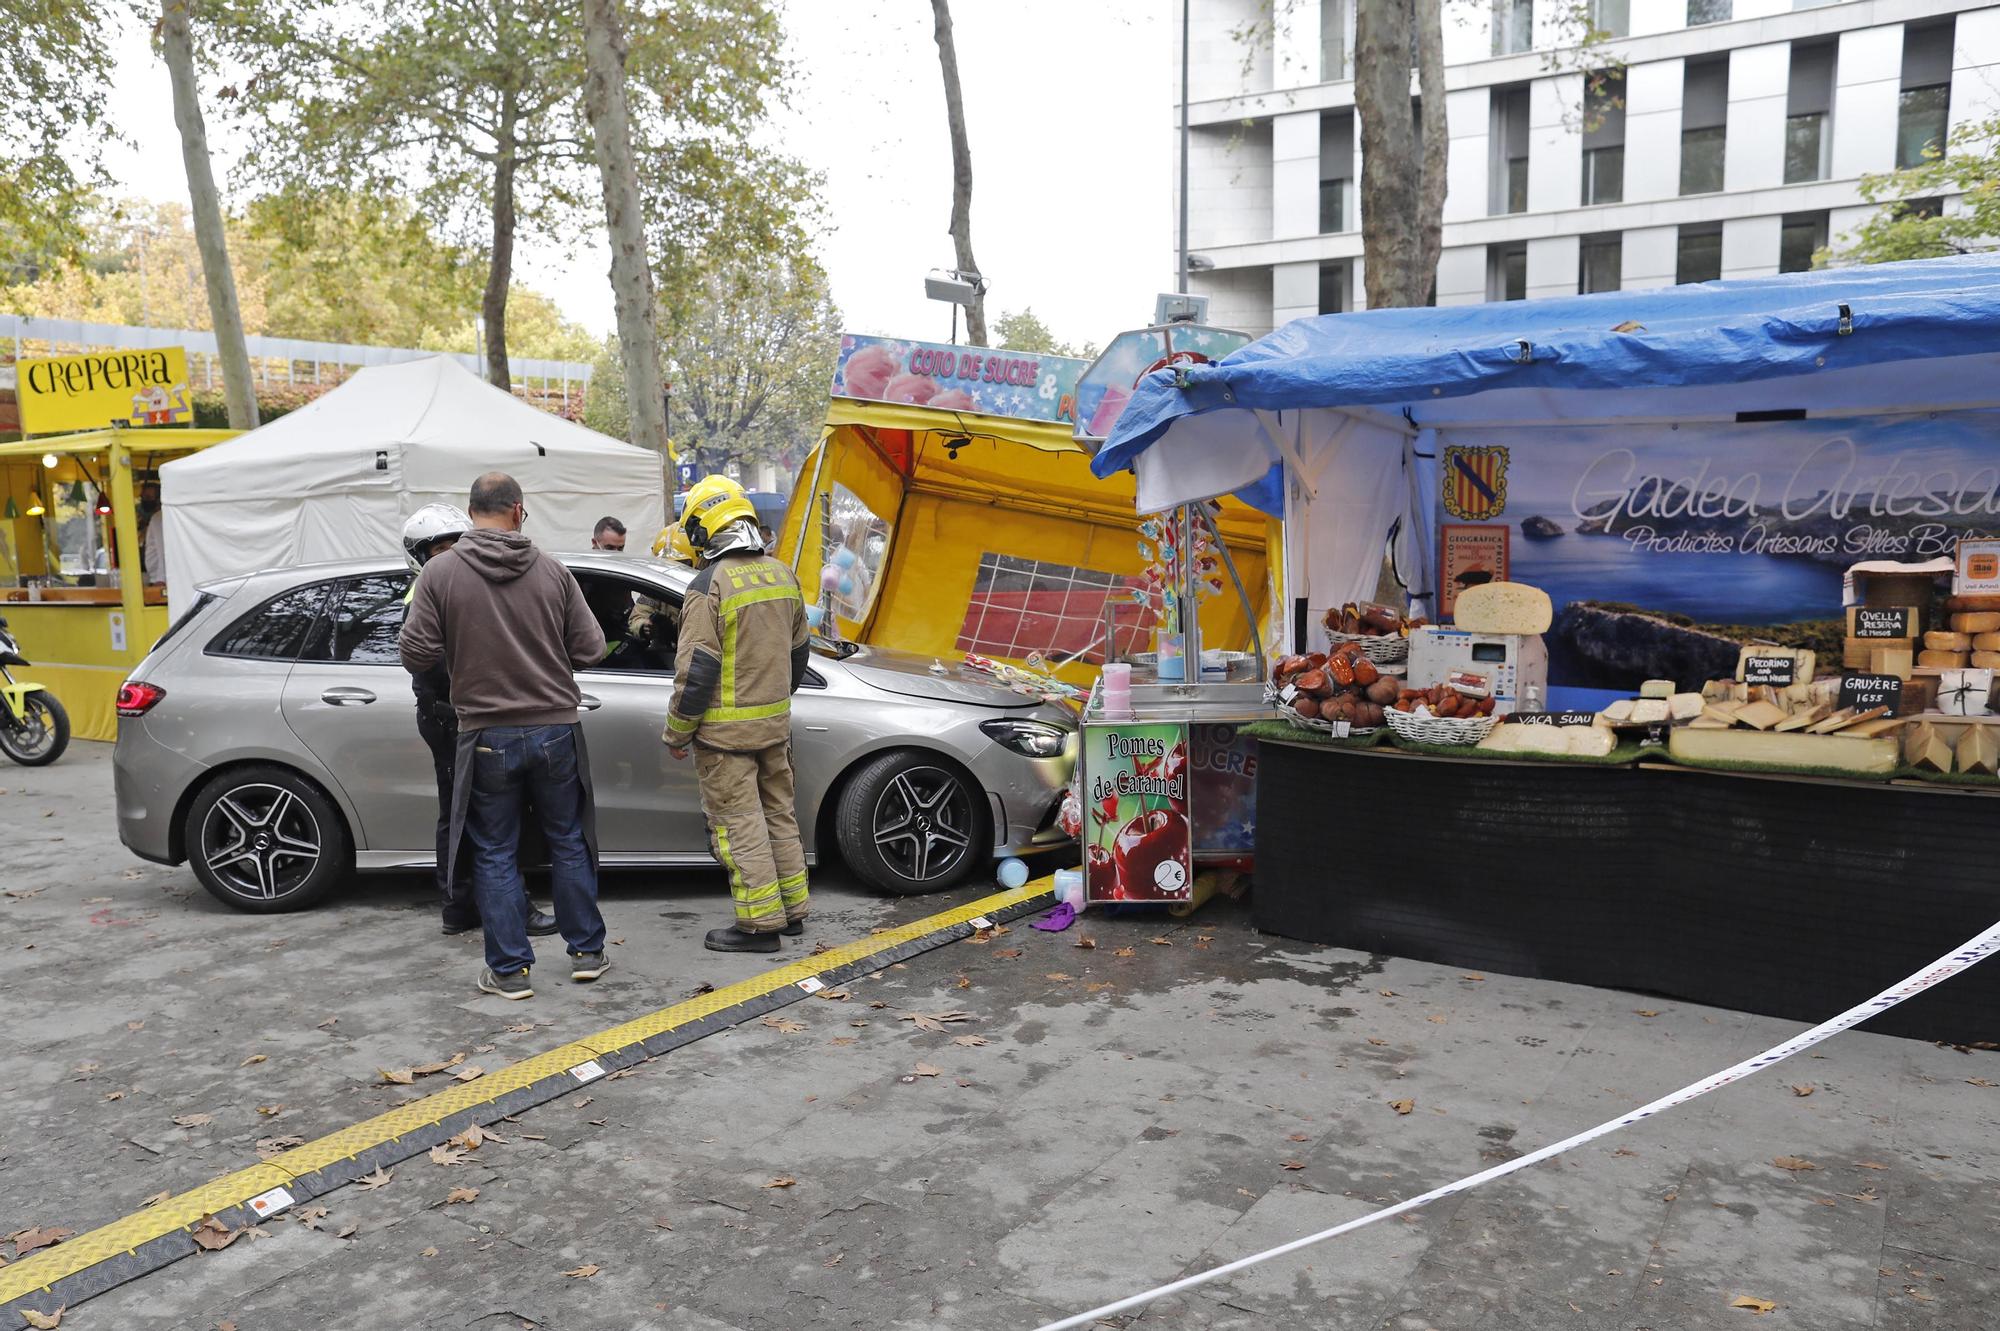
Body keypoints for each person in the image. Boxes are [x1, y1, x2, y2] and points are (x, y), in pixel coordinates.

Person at [400, 472, 610, 999]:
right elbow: (592, 650)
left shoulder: (439, 574)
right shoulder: (553, 570)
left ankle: (510, 971)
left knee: (494, 850)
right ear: (518, 510)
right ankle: (586, 953)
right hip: (556, 729)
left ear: (472, 513)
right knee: (568, 840)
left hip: (485, 732)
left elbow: (415, 654)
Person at [662, 475, 812, 953]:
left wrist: (677, 733)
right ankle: (792, 913)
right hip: (774, 727)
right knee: (779, 817)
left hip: (725, 738)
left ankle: (759, 928)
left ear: (705, 531)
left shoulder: (709, 584)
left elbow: (697, 669)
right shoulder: (783, 574)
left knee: (739, 826)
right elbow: (798, 655)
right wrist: (771, 703)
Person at [399, 504, 557, 941]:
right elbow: (428, 661)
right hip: (453, 718)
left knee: (464, 813)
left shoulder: (441, 582)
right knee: (486, 819)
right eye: (441, 548)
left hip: (455, 715)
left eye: (456, 543)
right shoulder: (429, 589)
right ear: (421, 553)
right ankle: (501, 906)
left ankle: (461, 904)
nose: (450, 553)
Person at [138, 480, 166, 585]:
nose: (144, 501)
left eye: (149, 498)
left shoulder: (158, 519)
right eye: (143, 497)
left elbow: (163, 549)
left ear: (159, 499)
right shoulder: (154, 519)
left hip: (160, 581)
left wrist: (161, 579)